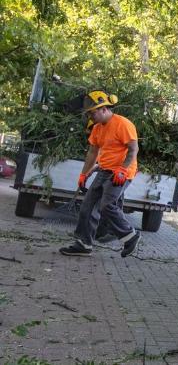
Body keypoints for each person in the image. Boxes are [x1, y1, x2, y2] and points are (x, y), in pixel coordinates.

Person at [59, 90, 141, 258]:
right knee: (87, 206)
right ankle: (84, 244)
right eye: (89, 113)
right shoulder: (97, 128)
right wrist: (84, 174)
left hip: (121, 172)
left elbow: (133, 150)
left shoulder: (123, 124)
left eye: (92, 112)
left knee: (106, 205)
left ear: (104, 109)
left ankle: (130, 235)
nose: (91, 116)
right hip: (104, 171)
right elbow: (92, 152)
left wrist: (123, 169)